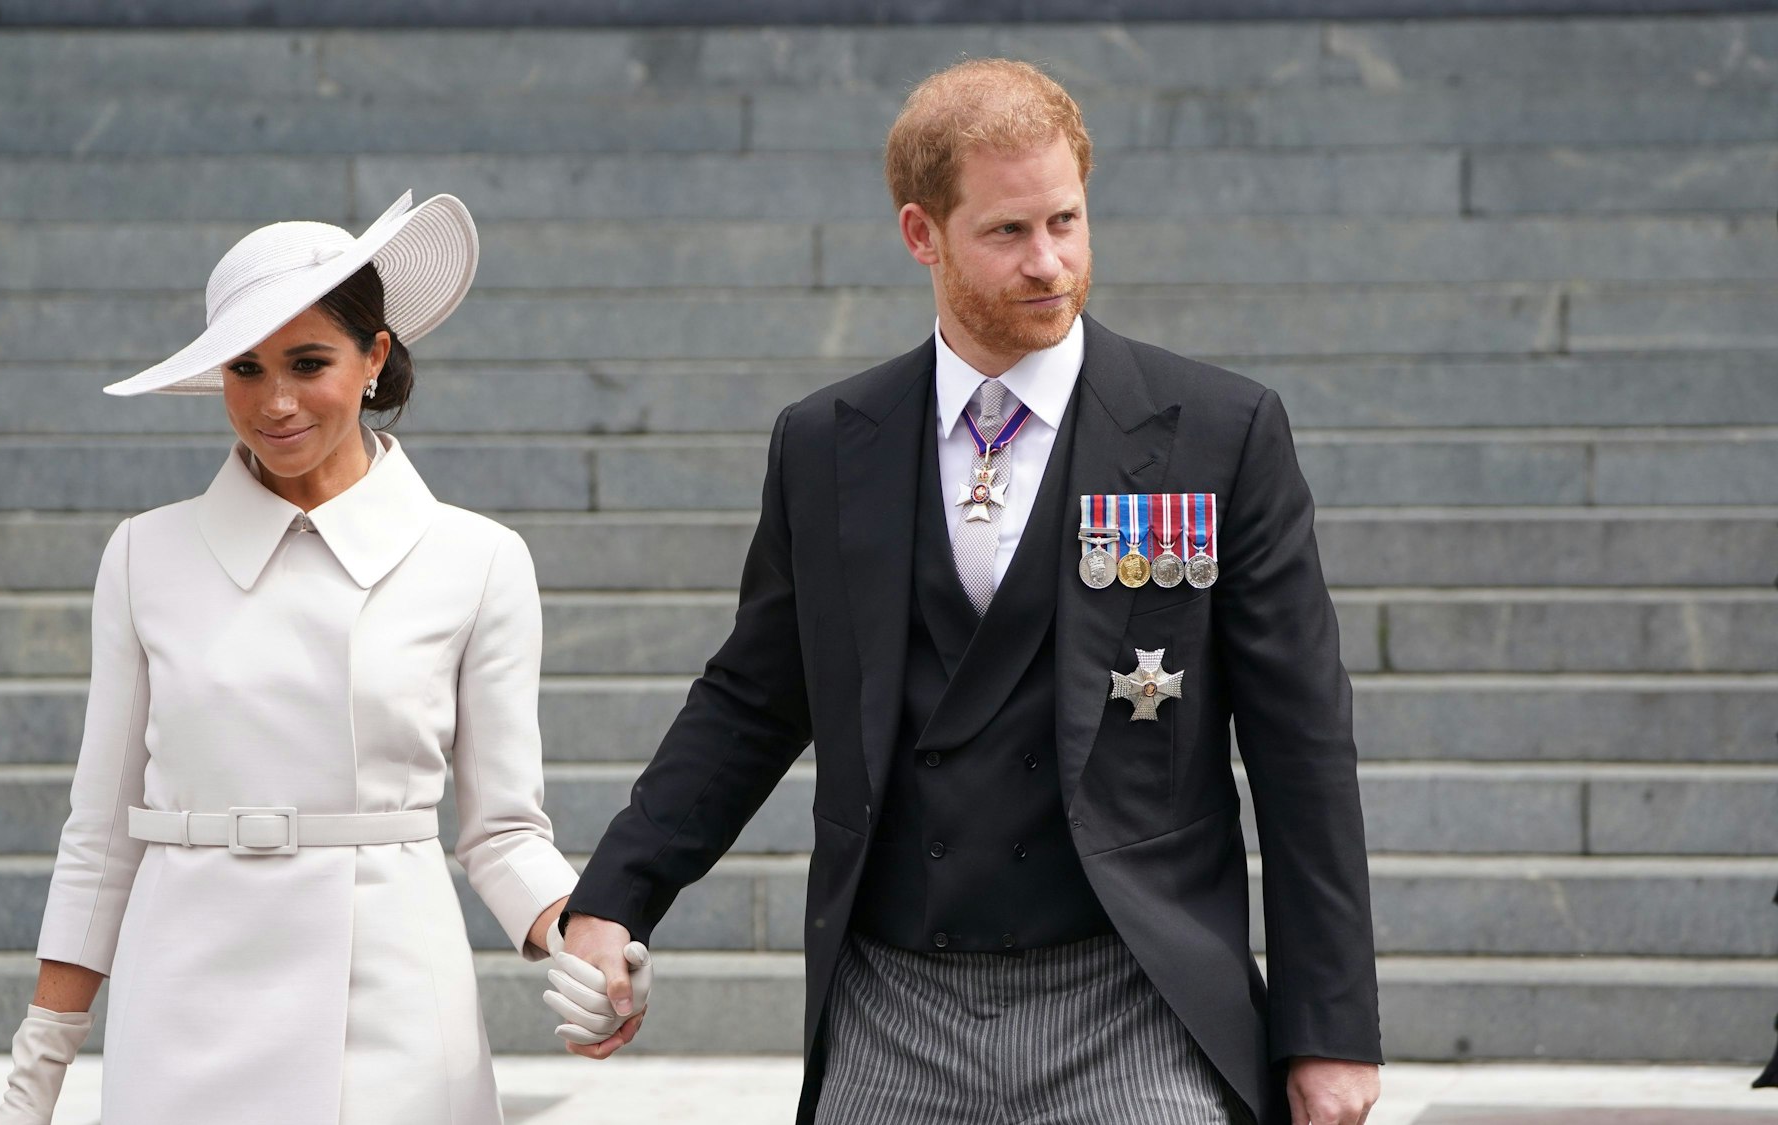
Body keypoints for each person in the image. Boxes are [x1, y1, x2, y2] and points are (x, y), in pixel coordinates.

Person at [553, 59, 1383, 1124]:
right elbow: (754, 697)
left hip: (1134, 1001)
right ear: (920, 234)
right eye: (1006, 233)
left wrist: (1329, 1029)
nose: (1049, 263)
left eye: (1066, 221)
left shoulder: (1218, 432)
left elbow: (1300, 738)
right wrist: (613, 898)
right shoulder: (824, 444)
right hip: (891, 1007)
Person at [0, 192, 579, 1125]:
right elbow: (102, 837)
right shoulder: (146, 556)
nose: (275, 402)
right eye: (246, 367)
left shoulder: (479, 559)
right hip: (182, 996)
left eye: (310, 363)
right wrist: (39, 1069)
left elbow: (505, 831)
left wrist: (581, 935)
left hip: (393, 1005)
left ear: (375, 356)